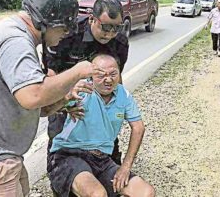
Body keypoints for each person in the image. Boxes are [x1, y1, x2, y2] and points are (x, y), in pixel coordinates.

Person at [0, 0, 104, 196]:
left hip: (6, 158)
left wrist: (64, 99)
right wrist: (78, 71)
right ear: (46, 21)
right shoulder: (15, 41)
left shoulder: (11, 33)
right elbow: (32, 95)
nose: (67, 33)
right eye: (64, 27)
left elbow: (36, 107)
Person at [47, 54, 155, 197]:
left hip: (102, 159)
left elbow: (138, 128)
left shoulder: (124, 95)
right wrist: (66, 100)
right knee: (97, 194)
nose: (108, 79)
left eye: (113, 74)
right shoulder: (82, 90)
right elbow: (49, 108)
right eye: (101, 75)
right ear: (91, 75)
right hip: (70, 155)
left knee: (146, 192)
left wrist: (125, 167)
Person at [46, 0, 129, 165]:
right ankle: (59, 173)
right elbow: (50, 73)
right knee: (61, 135)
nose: (110, 33)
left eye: (116, 28)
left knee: (107, 134)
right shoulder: (67, 34)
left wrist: (117, 108)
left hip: (100, 97)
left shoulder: (119, 42)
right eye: (105, 27)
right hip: (65, 94)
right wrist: (65, 103)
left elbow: (116, 78)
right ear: (92, 18)